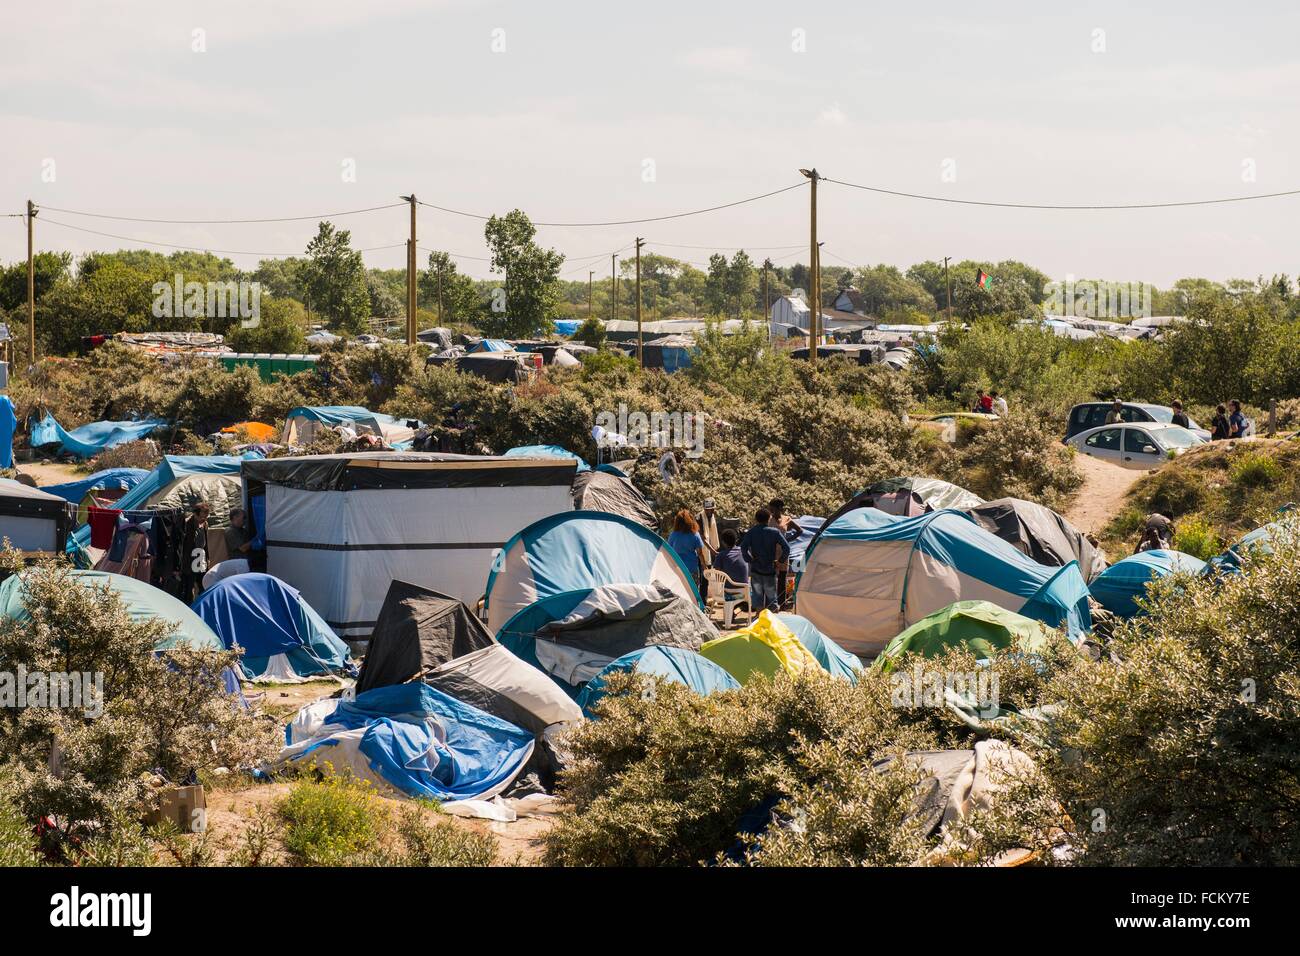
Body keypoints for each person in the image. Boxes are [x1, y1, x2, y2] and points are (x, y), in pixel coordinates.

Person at [741, 508, 790, 613]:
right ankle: (772, 623)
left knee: (758, 600)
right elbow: (787, 548)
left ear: (756, 519)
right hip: (770, 569)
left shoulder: (751, 532)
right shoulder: (774, 532)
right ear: (768, 519)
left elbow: (743, 548)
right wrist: (780, 561)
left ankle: (759, 622)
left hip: (756, 569)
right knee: (772, 601)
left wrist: (749, 559)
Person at [666, 509, 707, 594]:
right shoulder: (695, 534)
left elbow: (668, 551)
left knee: (679, 592)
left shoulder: (673, 535)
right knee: (693, 592)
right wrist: (704, 566)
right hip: (692, 568)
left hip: (677, 569)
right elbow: (700, 553)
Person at [181, 503, 211, 601]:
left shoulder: (205, 524)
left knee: (203, 584)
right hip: (190, 558)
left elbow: (205, 542)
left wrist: (207, 558)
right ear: (195, 514)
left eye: (206, 517)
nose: (204, 520)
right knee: (189, 587)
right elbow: (183, 546)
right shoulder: (187, 524)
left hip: (201, 557)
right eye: (202, 517)